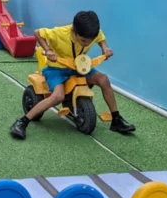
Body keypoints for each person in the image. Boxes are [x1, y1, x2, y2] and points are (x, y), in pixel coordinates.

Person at [10, 11, 136, 140]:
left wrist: (105, 49)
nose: (86, 44)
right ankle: (22, 121)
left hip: (79, 67)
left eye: (90, 41)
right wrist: (48, 50)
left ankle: (116, 119)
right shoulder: (60, 32)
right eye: (83, 40)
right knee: (58, 96)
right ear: (73, 31)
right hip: (56, 69)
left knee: (103, 79)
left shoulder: (92, 33)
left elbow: (100, 37)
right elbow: (38, 33)